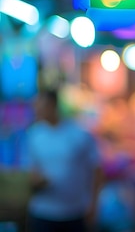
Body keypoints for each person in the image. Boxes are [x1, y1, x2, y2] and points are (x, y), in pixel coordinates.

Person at [23, 88, 103, 232]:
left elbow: (96, 171)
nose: (37, 110)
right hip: (43, 211)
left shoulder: (79, 134)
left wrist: (94, 204)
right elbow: (30, 168)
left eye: (41, 105)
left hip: (74, 211)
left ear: (52, 104)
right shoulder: (34, 135)